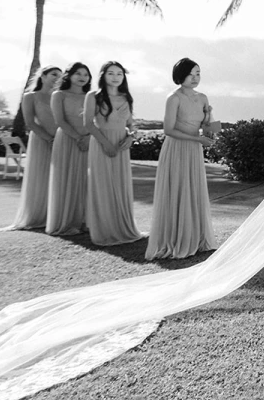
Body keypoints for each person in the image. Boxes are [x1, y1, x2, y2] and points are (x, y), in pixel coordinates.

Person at [146, 58, 219, 260]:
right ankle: (175, 238)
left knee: (193, 190)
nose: (195, 78)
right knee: (178, 189)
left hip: (194, 149)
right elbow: (168, 129)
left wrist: (209, 123)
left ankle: (196, 238)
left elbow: (208, 126)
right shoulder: (174, 98)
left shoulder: (203, 97)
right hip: (176, 149)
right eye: (191, 74)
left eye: (198, 73)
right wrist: (198, 138)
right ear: (181, 75)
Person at [84, 61, 143, 246]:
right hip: (101, 143)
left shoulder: (126, 97)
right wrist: (106, 144)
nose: (116, 77)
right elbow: (88, 124)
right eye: (111, 73)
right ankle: (104, 230)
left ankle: (122, 227)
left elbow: (131, 124)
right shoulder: (93, 96)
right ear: (103, 75)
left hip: (122, 145)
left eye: (119, 74)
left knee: (120, 185)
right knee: (102, 185)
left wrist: (131, 137)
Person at [4, 66, 62, 230]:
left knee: (59, 177)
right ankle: (39, 215)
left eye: (60, 76)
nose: (57, 78)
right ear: (42, 76)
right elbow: (29, 123)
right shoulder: (30, 96)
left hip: (62, 141)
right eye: (54, 74)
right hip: (41, 141)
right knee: (41, 176)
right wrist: (49, 139)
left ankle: (58, 213)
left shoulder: (59, 97)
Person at [46, 62, 93, 236]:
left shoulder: (92, 96)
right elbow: (60, 121)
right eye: (78, 73)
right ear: (69, 75)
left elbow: (96, 121)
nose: (82, 77)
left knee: (87, 181)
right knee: (66, 179)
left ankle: (86, 221)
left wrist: (89, 138)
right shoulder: (59, 95)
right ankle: (66, 222)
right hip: (66, 140)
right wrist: (78, 138)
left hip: (89, 141)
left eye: (86, 74)